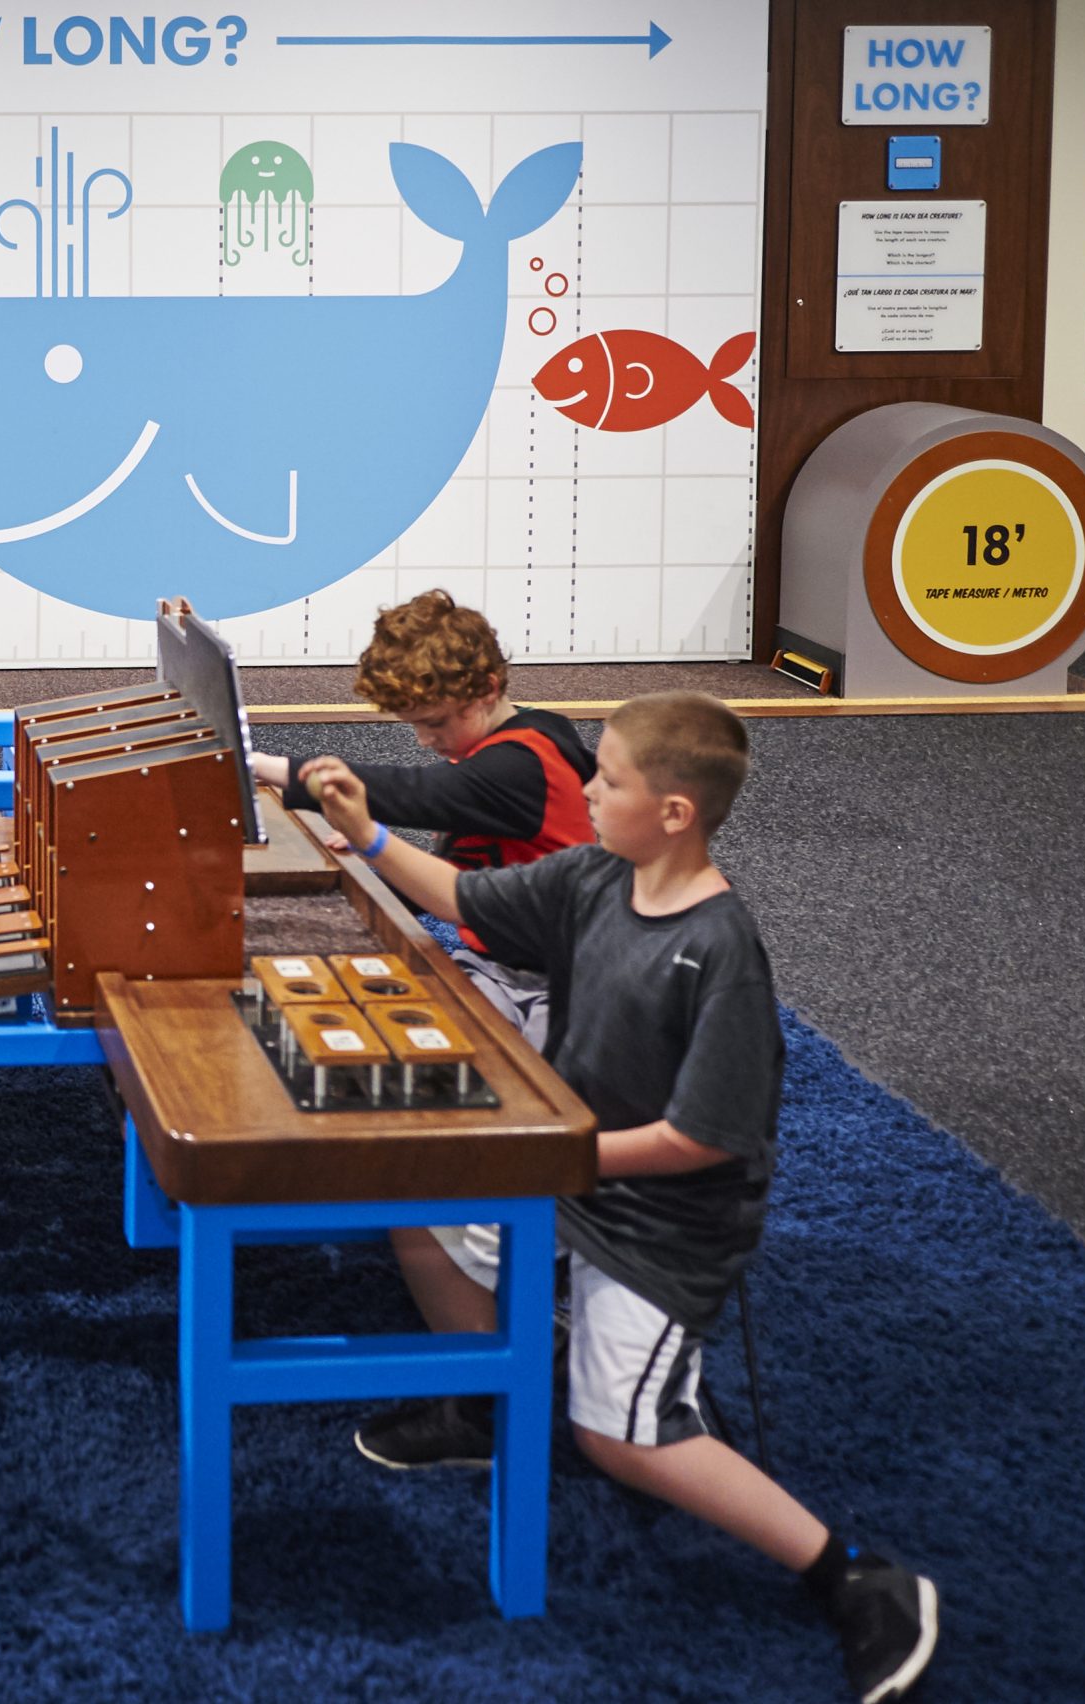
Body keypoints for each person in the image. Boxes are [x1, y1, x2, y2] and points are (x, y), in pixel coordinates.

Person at [301, 693, 939, 1704]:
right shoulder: (596, 877)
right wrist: (365, 831)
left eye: (607, 779)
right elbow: (465, 900)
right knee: (413, 1192)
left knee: (620, 1437)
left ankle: (858, 1575)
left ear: (675, 812)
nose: (584, 790)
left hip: (661, 1228)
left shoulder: (719, 950)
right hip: (574, 1177)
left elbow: (701, 1140)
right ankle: (482, 1401)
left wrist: (555, 1153)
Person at [264, 590, 595, 1308]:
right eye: (415, 725)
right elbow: (472, 857)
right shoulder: (528, 741)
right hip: (506, 961)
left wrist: (267, 767)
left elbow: (409, 795)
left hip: (556, 986)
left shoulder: (519, 765)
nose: (428, 740)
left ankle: (514, 1255)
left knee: (404, 1068)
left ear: (489, 688)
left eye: (438, 722)